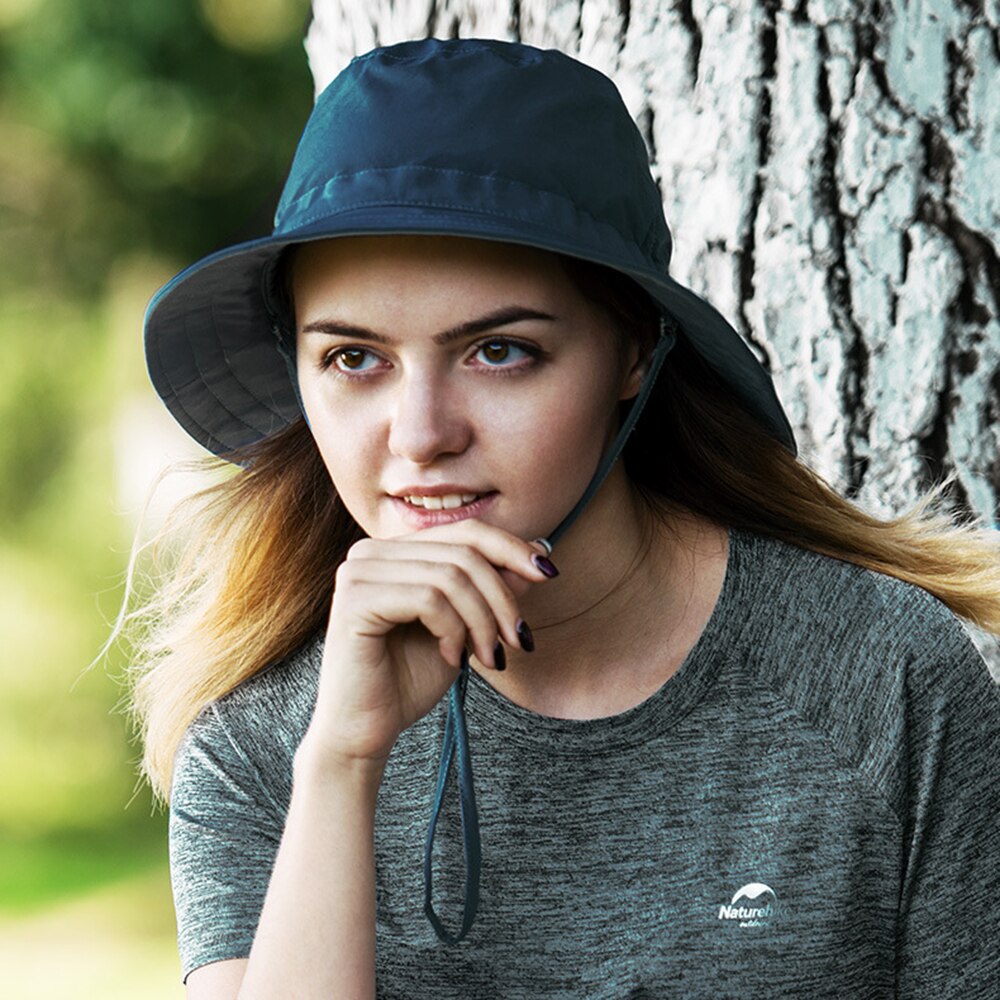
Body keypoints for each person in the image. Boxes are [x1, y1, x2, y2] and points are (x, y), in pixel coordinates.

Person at [130, 37, 1000, 999]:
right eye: (353, 359)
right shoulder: (262, 747)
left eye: (498, 352)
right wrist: (343, 762)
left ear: (633, 352)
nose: (419, 436)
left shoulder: (881, 678)